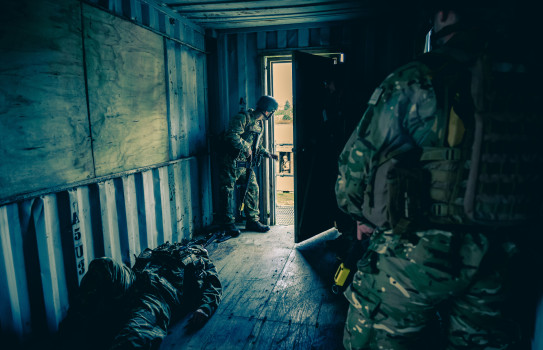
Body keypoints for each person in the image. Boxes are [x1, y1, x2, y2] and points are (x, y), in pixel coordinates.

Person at [335, 6, 542, 350]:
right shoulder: (529, 84)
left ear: (444, 14)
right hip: (501, 257)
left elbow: (356, 165)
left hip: (415, 252)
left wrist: (358, 215)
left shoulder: (418, 78)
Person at [57, 241, 222, 350]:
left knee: (133, 337)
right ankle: (74, 326)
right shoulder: (164, 249)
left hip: (158, 294)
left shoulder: (201, 261)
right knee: (104, 264)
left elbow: (214, 286)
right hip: (135, 279)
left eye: (198, 246)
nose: (193, 245)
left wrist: (205, 309)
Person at [215, 95, 279, 236]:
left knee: (252, 188)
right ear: (269, 111)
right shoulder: (243, 118)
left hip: (245, 164)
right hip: (231, 162)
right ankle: (227, 223)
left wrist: (267, 153)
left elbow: (257, 145)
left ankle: (252, 220)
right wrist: (246, 147)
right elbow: (232, 135)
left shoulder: (259, 124)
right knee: (227, 191)